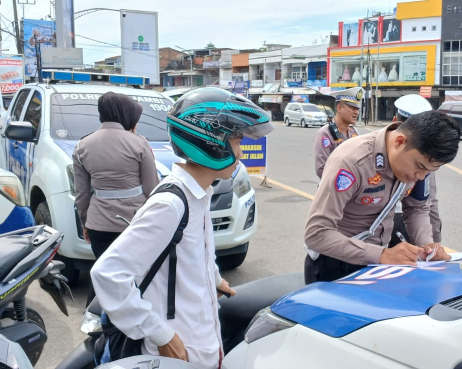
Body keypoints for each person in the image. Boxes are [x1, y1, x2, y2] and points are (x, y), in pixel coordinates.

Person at [90, 88, 274, 368]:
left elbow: (194, 250)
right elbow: (108, 274)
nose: (240, 153)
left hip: (199, 342)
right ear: (212, 141)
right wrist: (162, 335)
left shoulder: (197, 194)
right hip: (176, 353)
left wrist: (212, 277)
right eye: (237, 142)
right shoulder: (170, 204)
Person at [304, 110, 460, 284]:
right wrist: (383, 255)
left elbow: (417, 208)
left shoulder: (418, 164)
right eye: (420, 167)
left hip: (377, 264)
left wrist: (427, 246)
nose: (421, 177)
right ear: (400, 142)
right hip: (335, 264)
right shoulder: (351, 162)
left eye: (429, 171)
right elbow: (316, 233)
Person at [72, 92, 160, 304]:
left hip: (98, 224)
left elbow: (82, 195)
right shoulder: (139, 144)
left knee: (103, 274)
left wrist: (86, 222)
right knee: (133, 277)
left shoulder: (83, 145)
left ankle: (95, 321)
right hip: (134, 223)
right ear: (125, 114)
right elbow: (153, 190)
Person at [387, 95, 442, 250]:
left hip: (406, 223)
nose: (420, 174)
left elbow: (424, 203)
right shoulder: (364, 156)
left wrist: (432, 243)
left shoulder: (425, 161)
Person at [313, 87, 361, 179]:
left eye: (357, 109)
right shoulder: (325, 133)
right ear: (339, 108)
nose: (356, 112)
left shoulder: (354, 132)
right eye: (352, 108)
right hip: (333, 189)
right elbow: (321, 169)